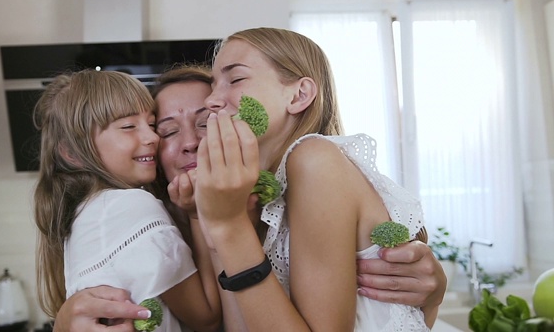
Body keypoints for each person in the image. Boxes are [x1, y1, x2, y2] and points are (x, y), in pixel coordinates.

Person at [51, 64, 446, 332]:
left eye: (208, 123)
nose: (190, 142)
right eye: (167, 130)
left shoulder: (309, 212)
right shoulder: (134, 225)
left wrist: (431, 296)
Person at [191, 27, 439, 330]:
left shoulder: (313, 159)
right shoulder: (270, 193)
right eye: (213, 86)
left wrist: (227, 227)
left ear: (299, 95)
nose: (212, 101)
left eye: (237, 78)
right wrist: (223, 230)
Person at [33, 69, 221, 332]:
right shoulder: (131, 206)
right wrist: (197, 212)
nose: (152, 137)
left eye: (152, 125)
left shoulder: (89, 212)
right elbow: (207, 318)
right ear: (72, 153)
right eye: (128, 126)